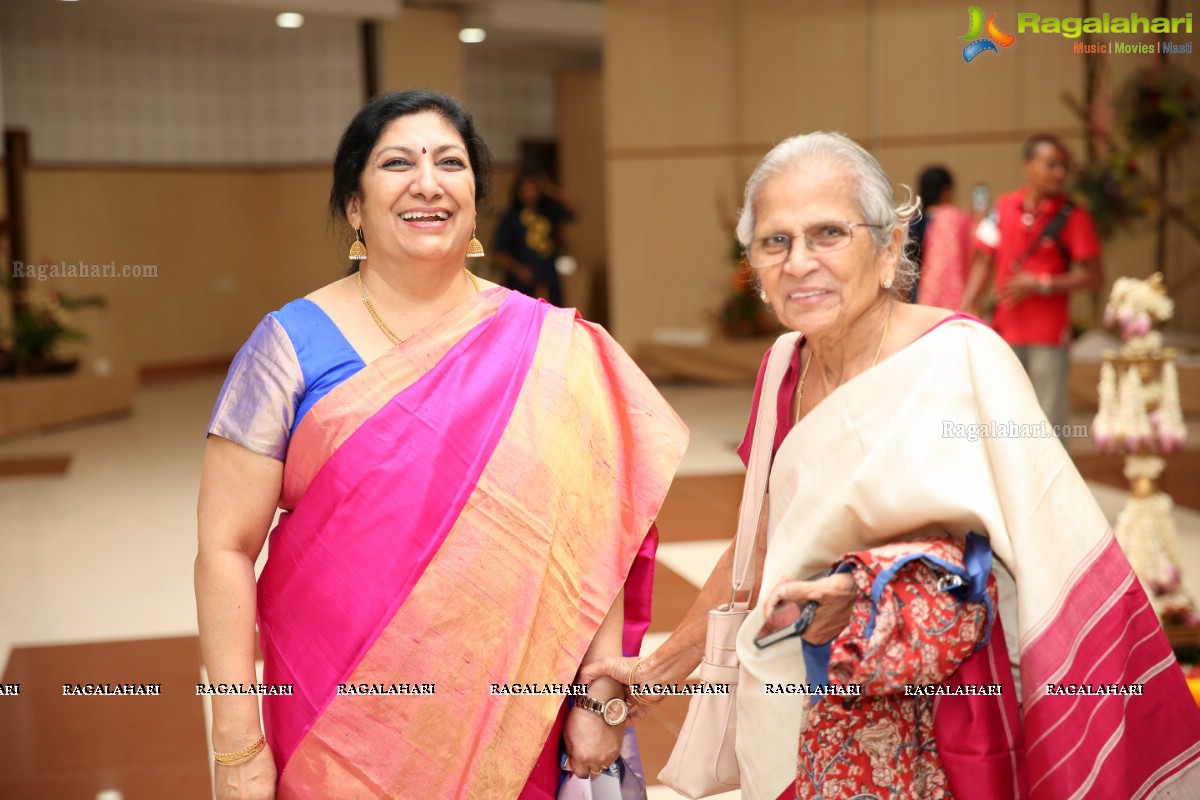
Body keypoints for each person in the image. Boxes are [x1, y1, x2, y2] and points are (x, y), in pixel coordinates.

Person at [583, 132, 1200, 799]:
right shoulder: (782, 369)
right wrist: (664, 665)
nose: (798, 262)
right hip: (797, 702)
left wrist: (878, 584)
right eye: (775, 241)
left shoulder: (963, 359)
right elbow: (762, 544)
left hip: (940, 718)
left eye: (827, 233)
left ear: (887, 249)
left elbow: (1045, 546)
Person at [195, 90, 687, 800]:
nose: (428, 181)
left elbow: (593, 536)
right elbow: (223, 549)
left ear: (475, 201)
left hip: (510, 704)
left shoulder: (550, 347)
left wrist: (598, 695)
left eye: (449, 163)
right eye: (397, 162)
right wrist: (237, 745)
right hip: (331, 709)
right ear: (355, 206)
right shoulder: (287, 347)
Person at [960, 134, 1104, 438]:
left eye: (1063, 166)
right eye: (1051, 165)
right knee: (1004, 419)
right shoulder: (1002, 208)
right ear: (1028, 166)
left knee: (1049, 422)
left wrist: (1043, 284)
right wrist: (962, 310)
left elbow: (1094, 277)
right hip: (1004, 331)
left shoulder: (1072, 215)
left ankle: (1053, 486)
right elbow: (983, 261)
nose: (1059, 173)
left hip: (1049, 337)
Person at [493, 172, 577, 306]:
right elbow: (500, 251)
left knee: (554, 314)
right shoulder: (510, 218)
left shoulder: (548, 212)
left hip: (548, 274)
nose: (529, 194)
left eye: (533, 190)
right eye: (525, 190)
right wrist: (519, 270)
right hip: (520, 280)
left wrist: (550, 189)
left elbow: (573, 209)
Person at [912, 165, 975, 310]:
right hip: (941, 304)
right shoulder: (951, 218)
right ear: (946, 191)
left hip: (914, 302)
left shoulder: (911, 221)